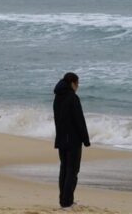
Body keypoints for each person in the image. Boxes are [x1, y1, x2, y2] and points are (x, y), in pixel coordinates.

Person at [53, 72, 90, 209]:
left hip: (61, 138)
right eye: (77, 83)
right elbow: (79, 120)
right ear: (72, 83)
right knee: (72, 171)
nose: (78, 86)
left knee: (64, 170)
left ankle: (63, 200)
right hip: (73, 140)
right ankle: (67, 202)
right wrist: (86, 140)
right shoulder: (72, 98)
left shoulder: (58, 97)